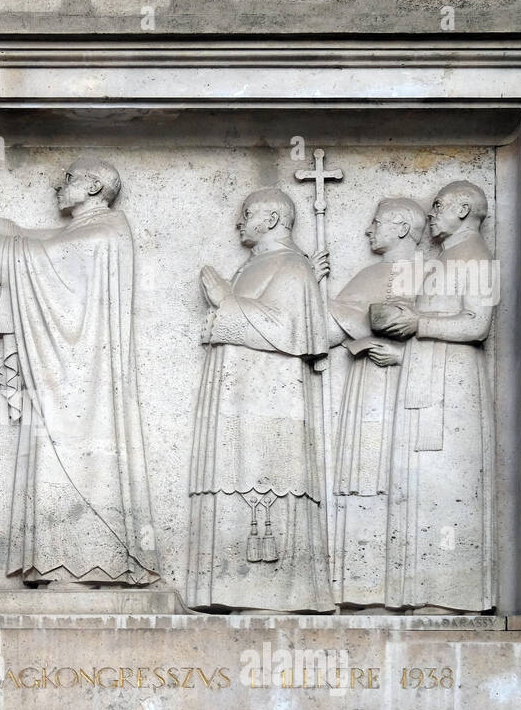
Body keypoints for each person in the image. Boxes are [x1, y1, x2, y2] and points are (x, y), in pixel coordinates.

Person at [0, 157, 159, 588]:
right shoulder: (80, 231)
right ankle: (60, 563)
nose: (59, 184)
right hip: (62, 373)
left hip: (80, 380)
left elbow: (29, 258)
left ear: (94, 187)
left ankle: (88, 564)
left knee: (76, 459)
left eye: (69, 178)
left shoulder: (104, 231)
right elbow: (23, 240)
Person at [186, 188, 334, 612]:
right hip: (236, 397)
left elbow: (288, 332)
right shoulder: (255, 266)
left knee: (265, 479)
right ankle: (229, 592)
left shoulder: (291, 267)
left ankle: (272, 597)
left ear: (271, 220)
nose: (239, 222)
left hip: (269, 405)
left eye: (247, 214)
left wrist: (225, 301)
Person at [369, 180, 496, 611]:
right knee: (423, 485)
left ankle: (450, 596)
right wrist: (402, 353)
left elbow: (477, 324)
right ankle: (423, 594)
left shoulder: (474, 255)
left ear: (463, 209)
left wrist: (417, 323)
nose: (432, 212)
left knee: (447, 485)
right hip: (429, 380)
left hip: (452, 392)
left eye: (439, 205)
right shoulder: (447, 257)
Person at [315, 197, 429, 605]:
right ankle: (364, 590)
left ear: (401, 227)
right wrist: (310, 287)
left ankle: (402, 594)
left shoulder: (432, 275)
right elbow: (324, 331)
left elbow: (453, 337)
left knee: (396, 485)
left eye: (377, 222)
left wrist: (404, 355)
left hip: (408, 395)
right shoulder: (370, 274)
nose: (368, 230)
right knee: (364, 481)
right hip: (368, 389)